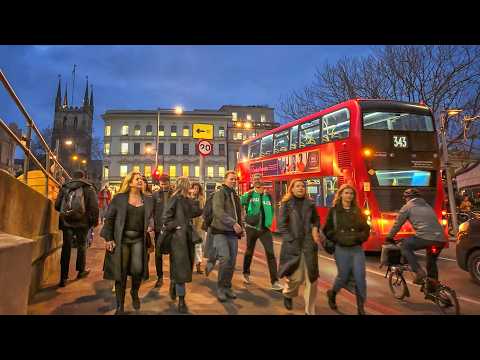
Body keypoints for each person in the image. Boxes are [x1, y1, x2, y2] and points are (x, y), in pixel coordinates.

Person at [101, 171, 154, 315]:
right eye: (137, 179)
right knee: (121, 273)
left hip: (138, 240)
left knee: (138, 270)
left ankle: (134, 292)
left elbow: (154, 216)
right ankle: (120, 305)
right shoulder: (119, 198)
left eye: (142, 179)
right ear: (129, 182)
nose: (140, 181)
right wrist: (108, 238)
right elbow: (109, 219)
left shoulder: (148, 199)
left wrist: (153, 225)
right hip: (121, 239)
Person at [323, 184, 370, 315]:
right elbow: (327, 229)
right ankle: (332, 294)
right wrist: (338, 238)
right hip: (341, 248)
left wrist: (359, 238)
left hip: (356, 248)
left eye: (351, 193)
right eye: (346, 193)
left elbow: (365, 229)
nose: (349, 195)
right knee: (342, 276)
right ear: (341, 194)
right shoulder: (334, 211)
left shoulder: (357, 211)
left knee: (360, 277)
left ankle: (360, 308)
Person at [385, 188, 447, 284]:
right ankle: (433, 286)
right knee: (431, 262)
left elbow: (397, 224)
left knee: (405, 246)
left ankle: (418, 272)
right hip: (441, 239)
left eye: (405, 198)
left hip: (425, 238)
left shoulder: (407, 207)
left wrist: (389, 237)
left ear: (408, 198)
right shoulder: (427, 206)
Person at [278, 179, 321, 315]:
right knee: (296, 278)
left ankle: (310, 310)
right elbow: (282, 225)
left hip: (308, 244)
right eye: (298, 186)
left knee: (311, 279)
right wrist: (290, 239)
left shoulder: (310, 204)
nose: (301, 188)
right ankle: (288, 294)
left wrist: (315, 229)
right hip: (293, 245)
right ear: (292, 188)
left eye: (303, 186)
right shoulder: (286, 204)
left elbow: (316, 220)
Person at [162, 177, 203, 313]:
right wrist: (177, 225)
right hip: (177, 239)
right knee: (181, 267)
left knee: (185, 267)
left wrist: (194, 198)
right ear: (185, 186)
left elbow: (196, 213)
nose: (191, 187)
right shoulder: (175, 198)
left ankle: (174, 282)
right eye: (189, 186)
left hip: (187, 238)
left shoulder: (187, 199)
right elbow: (166, 218)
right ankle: (181, 300)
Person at [55, 169, 99, 287]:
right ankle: (80, 271)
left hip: (66, 221)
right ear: (83, 177)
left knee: (66, 247)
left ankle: (63, 277)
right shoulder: (88, 188)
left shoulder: (65, 187)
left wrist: (67, 213)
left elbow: (57, 205)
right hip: (82, 222)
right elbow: (94, 207)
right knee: (81, 245)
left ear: (72, 176)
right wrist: (94, 222)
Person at [241, 180, 283, 291]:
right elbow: (238, 205)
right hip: (251, 228)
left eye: (259, 179)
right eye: (255, 179)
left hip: (264, 229)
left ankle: (275, 281)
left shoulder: (268, 196)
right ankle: (246, 273)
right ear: (253, 183)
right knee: (249, 251)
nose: (257, 181)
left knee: (271, 254)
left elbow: (272, 209)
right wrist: (242, 220)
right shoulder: (248, 195)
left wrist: (269, 221)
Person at [211, 171, 243, 302]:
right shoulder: (220, 193)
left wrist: (241, 226)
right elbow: (218, 211)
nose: (233, 181)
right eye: (231, 179)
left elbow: (239, 213)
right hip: (220, 231)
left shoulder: (234, 195)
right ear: (225, 180)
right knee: (225, 258)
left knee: (232, 261)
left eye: (235, 179)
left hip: (232, 233)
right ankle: (220, 288)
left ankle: (227, 286)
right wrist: (233, 223)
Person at [152, 174, 173, 288]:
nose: (163, 186)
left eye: (165, 184)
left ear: (169, 182)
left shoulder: (175, 194)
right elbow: (152, 211)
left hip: (171, 229)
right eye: (161, 184)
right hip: (159, 229)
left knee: (173, 254)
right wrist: (152, 225)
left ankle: (173, 277)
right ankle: (159, 277)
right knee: (158, 253)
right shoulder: (155, 195)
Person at [190, 182, 206, 274]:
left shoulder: (202, 199)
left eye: (197, 188)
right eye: (194, 188)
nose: (195, 190)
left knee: (198, 246)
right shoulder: (187, 198)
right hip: (190, 225)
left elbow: (203, 211)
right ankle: (189, 266)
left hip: (199, 225)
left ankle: (198, 265)